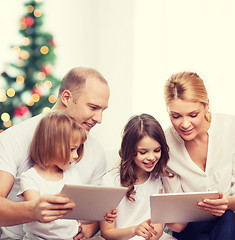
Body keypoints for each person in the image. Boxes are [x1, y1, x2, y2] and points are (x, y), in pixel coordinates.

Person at [0, 67, 110, 239]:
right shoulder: (13, 139)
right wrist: (33, 210)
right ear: (66, 97)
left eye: (103, 110)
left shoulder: (96, 152)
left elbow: (93, 211)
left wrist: (87, 231)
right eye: (93, 107)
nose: (99, 119)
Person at [162, 71, 235, 240]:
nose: (184, 124)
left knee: (227, 217)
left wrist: (228, 203)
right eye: (175, 116)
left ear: (207, 105)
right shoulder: (165, 142)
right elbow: (177, 212)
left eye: (193, 115)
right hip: (195, 223)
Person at [100, 114, 176, 240]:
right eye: (143, 152)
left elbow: (157, 229)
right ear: (129, 150)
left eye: (157, 150)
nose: (151, 157)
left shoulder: (158, 178)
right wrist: (135, 230)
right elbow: (107, 232)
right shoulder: (110, 182)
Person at [18, 111, 87, 239]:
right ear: (51, 145)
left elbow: (81, 213)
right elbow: (37, 211)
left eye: (77, 149)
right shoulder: (30, 178)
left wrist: (101, 214)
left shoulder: (72, 173)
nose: (76, 155)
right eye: (72, 149)